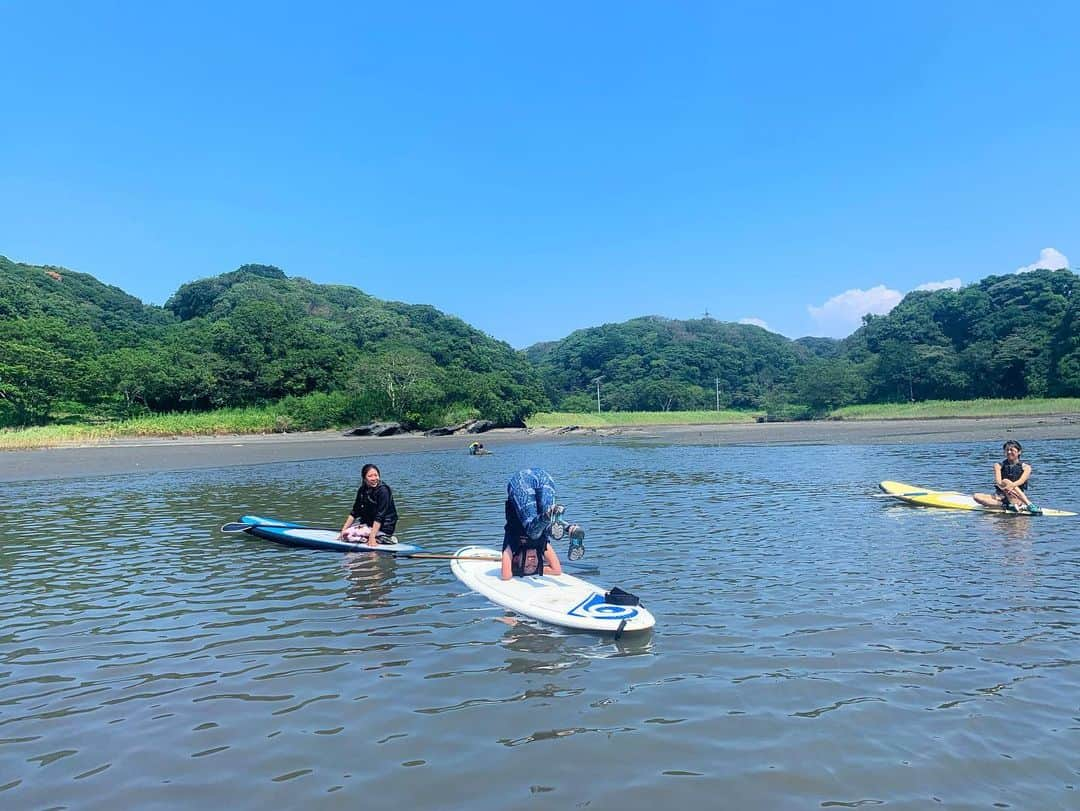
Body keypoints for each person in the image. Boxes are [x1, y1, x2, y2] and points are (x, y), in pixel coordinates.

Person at [501, 468, 564, 580]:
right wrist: (536, 570)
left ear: (516, 559)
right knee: (543, 529)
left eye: (527, 565)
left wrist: (519, 570)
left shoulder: (513, 544)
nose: (532, 561)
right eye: (535, 565)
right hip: (544, 477)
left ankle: (551, 518)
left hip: (520, 482)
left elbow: (506, 576)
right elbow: (557, 570)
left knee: (533, 531)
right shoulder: (541, 545)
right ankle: (569, 528)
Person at [973, 440, 1041, 514]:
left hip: (1016, 496)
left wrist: (1010, 487)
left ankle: (1028, 504)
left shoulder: (1026, 467)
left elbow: (1021, 481)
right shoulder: (998, 465)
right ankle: (1007, 506)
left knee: (1005, 481)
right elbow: (998, 482)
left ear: (1019, 452)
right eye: (1007, 450)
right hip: (1001, 496)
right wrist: (1003, 492)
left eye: (1011, 450)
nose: (1009, 452)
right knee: (976, 496)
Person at [338, 463, 400, 545]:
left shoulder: (383, 491)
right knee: (346, 534)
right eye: (370, 476)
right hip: (368, 525)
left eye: (376, 475)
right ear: (364, 478)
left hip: (384, 527)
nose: (374, 478)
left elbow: (380, 516)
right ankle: (370, 538)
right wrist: (343, 531)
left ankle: (385, 538)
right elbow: (354, 512)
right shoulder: (362, 490)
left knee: (349, 535)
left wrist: (372, 537)